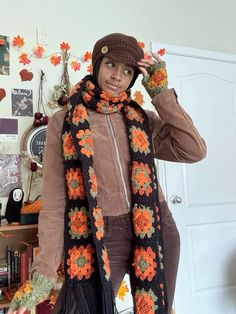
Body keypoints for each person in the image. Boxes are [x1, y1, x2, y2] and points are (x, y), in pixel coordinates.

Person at [7, 33, 206, 314]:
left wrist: (160, 95)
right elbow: (53, 203)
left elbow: (193, 150)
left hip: (156, 226)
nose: (117, 76)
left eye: (128, 71)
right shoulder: (64, 122)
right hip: (102, 234)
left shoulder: (142, 119)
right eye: (111, 64)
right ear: (97, 63)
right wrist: (44, 274)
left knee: (160, 308)